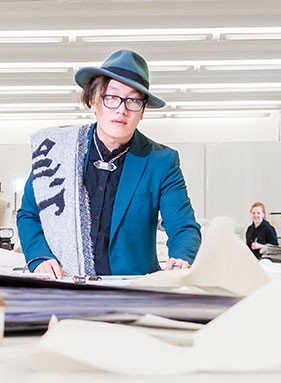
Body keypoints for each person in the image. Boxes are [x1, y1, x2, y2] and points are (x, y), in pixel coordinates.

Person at [16, 49, 201, 278]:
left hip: (131, 291)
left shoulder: (161, 161)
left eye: (133, 101)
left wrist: (181, 258)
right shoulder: (57, 151)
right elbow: (29, 214)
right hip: (67, 284)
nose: (122, 109)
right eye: (112, 97)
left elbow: (183, 226)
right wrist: (40, 257)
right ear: (93, 102)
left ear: (142, 111)